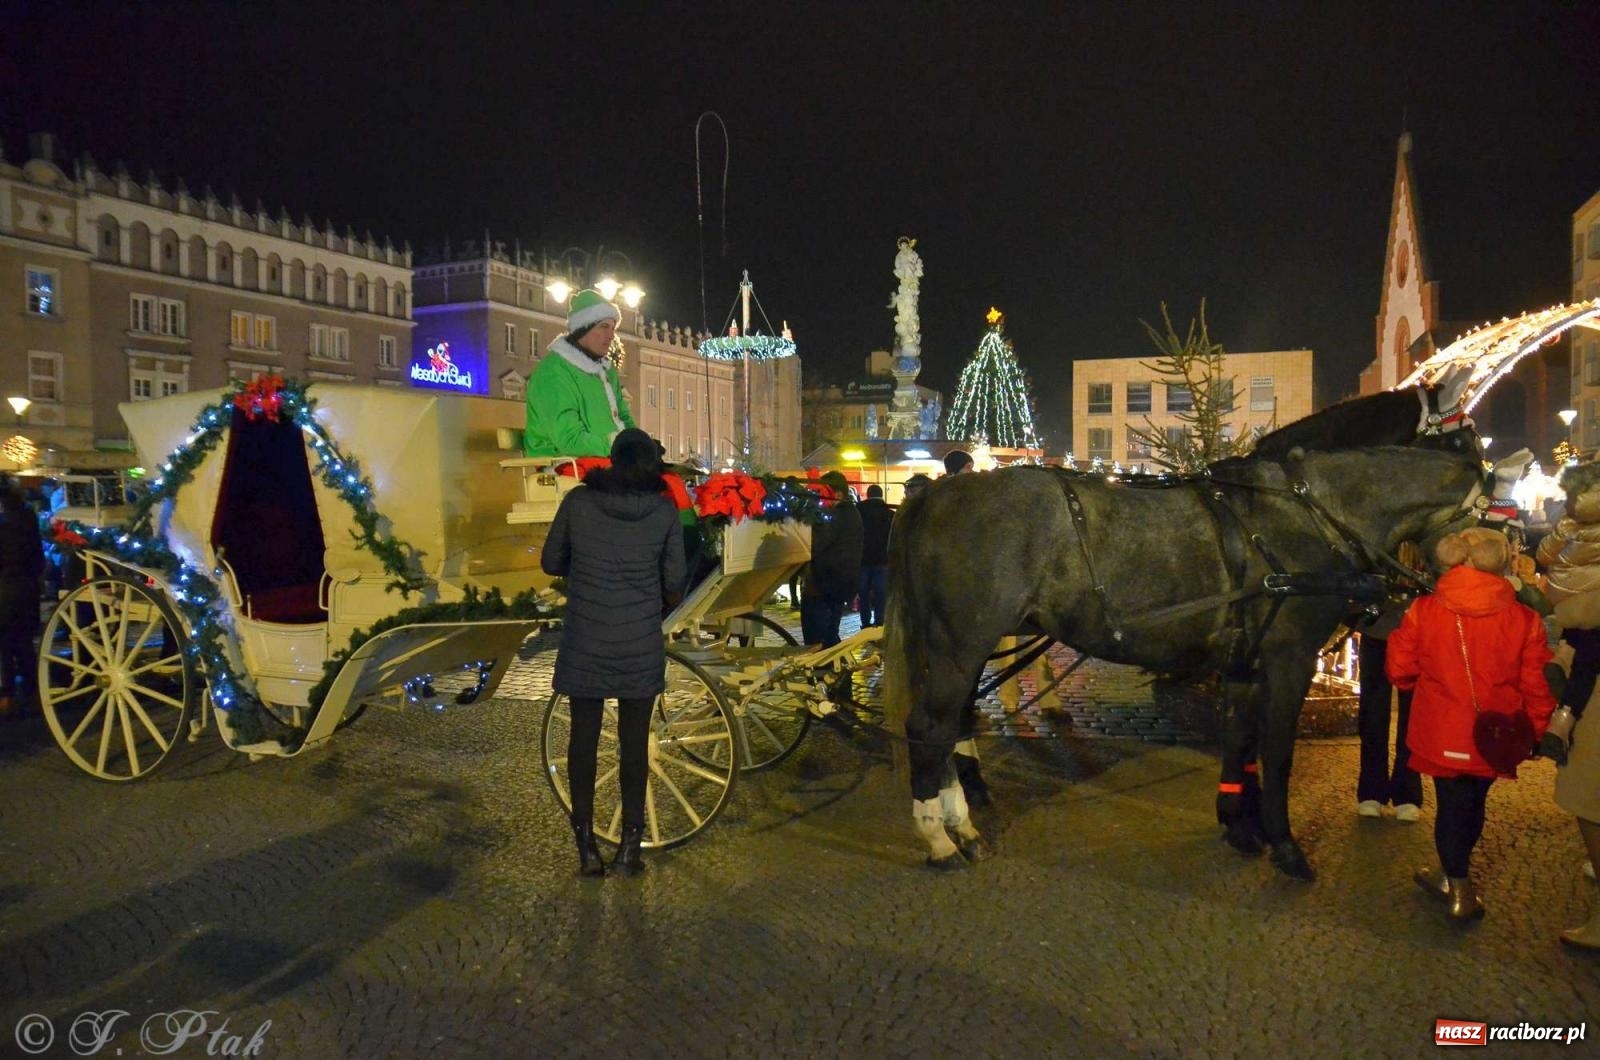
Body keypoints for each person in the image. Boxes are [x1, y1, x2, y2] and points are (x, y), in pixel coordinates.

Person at [1387, 528, 1556, 922]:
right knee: (1474, 803)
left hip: (1441, 728)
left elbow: (1399, 670)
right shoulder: (1525, 618)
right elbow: (1536, 683)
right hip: (1495, 733)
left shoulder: (1424, 610)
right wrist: (1536, 730)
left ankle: (1459, 888)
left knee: (1450, 805)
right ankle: (1451, 876)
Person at [541, 428, 686, 878]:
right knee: (634, 747)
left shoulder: (579, 503)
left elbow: (550, 561)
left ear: (612, 460)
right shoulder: (663, 510)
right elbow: (674, 582)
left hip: (586, 637)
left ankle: (586, 845)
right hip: (638, 643)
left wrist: (585, 568)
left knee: (582, 741)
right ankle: (628, 848)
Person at [1534, 460, 1600, 762]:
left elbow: (1544, 554)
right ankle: (1564, 718)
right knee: (1590, 654)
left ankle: (1563, 654)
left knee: (1583, 635)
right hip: (1593, 602)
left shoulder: (1567, 520)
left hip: (1564, 597)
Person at [1355, 541, 1425, 822]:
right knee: (1372, 713)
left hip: (1417, 631)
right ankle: (1372, 791)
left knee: (1414, 715)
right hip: (1377, 628)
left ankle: (1407, 792)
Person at [524, 288, 636, 458]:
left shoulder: (607, 371)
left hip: (608, 459)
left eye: (613, 328)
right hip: (564, 463)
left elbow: (624, 417)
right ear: (583, 328)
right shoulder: (554, 372)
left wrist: (640, 444)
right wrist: (617, 447)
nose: (611, 335)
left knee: (667, 474)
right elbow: (568, 440)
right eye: (604, 327)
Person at [800, 471, 863, 648]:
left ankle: (828, 664)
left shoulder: (836, 515)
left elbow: (815, 544)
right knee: (829, 635)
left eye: (823, 493)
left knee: (817, 641)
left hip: (824, 586)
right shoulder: (851, 512)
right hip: (839, 585)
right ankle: (836, 663)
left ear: (838, 494)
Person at [0, 477, 44, 718]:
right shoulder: (27, 517)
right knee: (25, 643)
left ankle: (7, 696)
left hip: (4, 589)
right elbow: (38, 559)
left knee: (5, 647)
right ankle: (32, 692)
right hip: (27, 588)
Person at [856, 484, 893, 627]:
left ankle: (865, 622)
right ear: (881, 495)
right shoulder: (889, 512)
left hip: (863, 559)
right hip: (883, 560)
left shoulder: (859, 510)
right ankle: (879, 622)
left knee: (863, 593)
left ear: (868, 494)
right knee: (881, 594)